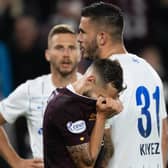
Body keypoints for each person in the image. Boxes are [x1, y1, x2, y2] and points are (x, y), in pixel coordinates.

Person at [78, 2, 168, 168]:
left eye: (83, 32)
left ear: (101, 37)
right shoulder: (150, 70)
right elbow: (163, 134)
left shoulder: (98, 74)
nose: (79, 38)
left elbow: (101, 144)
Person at [0, 24, 82, 168]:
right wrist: (15, 161)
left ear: (80, 54)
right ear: (47, 54)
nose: (66, 54)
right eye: (59, 48)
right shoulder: (31, 90)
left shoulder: (94, 89)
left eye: (72, 48)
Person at [43, 58, 124, 168]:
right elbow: (86, 165)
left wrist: (106, 119)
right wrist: (102, 117)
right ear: (90, 80)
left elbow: (107, 154)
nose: (104, 103)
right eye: (102, 97)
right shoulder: (64, 106)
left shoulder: (92, 102)